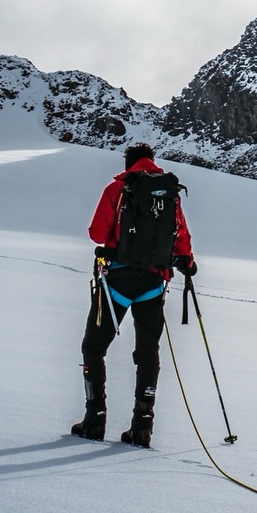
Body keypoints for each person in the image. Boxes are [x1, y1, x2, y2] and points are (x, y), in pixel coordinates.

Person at [70, 142, 195, 448]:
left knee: (94, 346)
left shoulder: (119, 188)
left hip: (116, 279)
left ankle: (94, 419)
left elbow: (98, 234)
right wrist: (187, 261)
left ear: (128, 162)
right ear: (151, 162)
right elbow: (181, 236)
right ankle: (142, 426)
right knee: (148, 352)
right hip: (154, 283)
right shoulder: (169, 191)